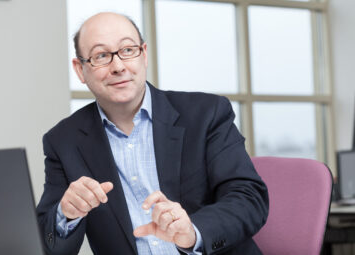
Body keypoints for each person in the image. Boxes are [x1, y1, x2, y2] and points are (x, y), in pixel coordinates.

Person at [36, 12, 269, 255]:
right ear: (80, 70)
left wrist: (193, 231)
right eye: (101, 56)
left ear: (144, 54)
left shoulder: (207, 114)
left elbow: (249, 199)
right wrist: (66, 214)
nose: (118, 66)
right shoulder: (64, 141)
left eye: (127, 50)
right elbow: (46, 242)